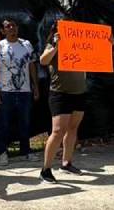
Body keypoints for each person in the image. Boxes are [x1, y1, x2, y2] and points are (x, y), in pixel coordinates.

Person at [38, 22, 98, 183]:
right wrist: (56, 46)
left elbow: (98, 54)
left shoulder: (81, 44)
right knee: (57, 131)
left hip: (79, 92)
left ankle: (66, 162)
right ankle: (46, 169)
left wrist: (107, 42)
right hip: (60, 93)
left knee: (73, 128)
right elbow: (43, 61)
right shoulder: (52, 44)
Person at [0, 18, 39, 165]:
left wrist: (35, 86)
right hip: (6, 92)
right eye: (8, 26)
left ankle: (26, 151)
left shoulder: (26, 44)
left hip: (25, 91)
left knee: (25, 123)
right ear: (2, 30)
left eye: (14, 25)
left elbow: (32, 66)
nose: (12, 28)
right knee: (4, 123)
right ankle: (2, 152)